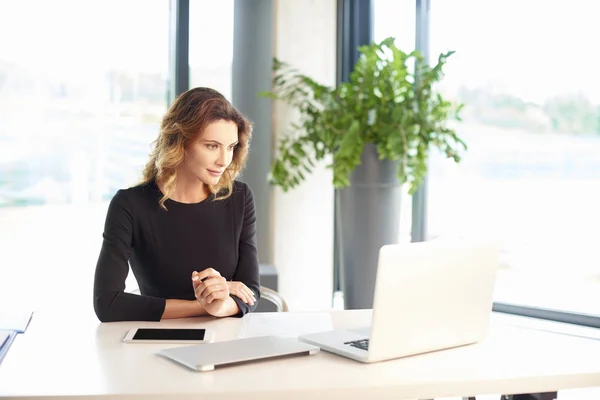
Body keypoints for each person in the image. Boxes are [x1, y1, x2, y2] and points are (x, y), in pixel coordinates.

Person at [93, 87, 260, 322]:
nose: (224, 160)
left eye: (231, 147)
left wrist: (220, 307)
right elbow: (107, 304)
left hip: (225, 339)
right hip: (156, 342)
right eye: (212, 146)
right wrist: (204, 306)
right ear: (180, 142)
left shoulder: (239, 198)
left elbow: (250, 291)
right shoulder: (129, 205)